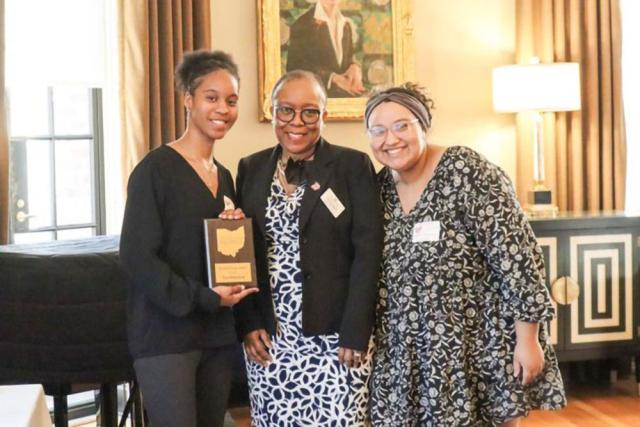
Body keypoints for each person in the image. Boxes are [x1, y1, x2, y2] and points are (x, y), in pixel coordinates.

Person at [364, 83, 566, 426]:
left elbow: (518, 258)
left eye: (402, 126)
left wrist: (528, 339)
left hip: (477, 345)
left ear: (423, 125)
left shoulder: (466, 170)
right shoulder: (379, 187)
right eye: (378, 130)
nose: (391, 139)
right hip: (408, 354)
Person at [234, 70, 382, 425]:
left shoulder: (352, 166)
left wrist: (356, 329)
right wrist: (248, 321)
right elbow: (245, 253)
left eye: (309, 112)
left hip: (336, 337)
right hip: (271, 338)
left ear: (324, 116)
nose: (296, 122)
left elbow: (368, 252)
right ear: (272, 112)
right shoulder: (251, 168)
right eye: (285, 110)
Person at [119, 50, 257, 427]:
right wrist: (205, 298)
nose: (223, 109)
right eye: (211, 98)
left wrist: (236, 231)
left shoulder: (226, 177)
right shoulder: (154, 171)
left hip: (215, 335)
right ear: (188, 100)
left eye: (231, 100)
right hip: (165, 337)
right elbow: (136, 258)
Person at [286, 0, 365, 97]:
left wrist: (354, 67)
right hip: (315, 99)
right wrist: (332, 78)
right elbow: (294, 67)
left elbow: (342, 62)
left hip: (342, 100)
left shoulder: (345, 24)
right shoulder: (302, 25)